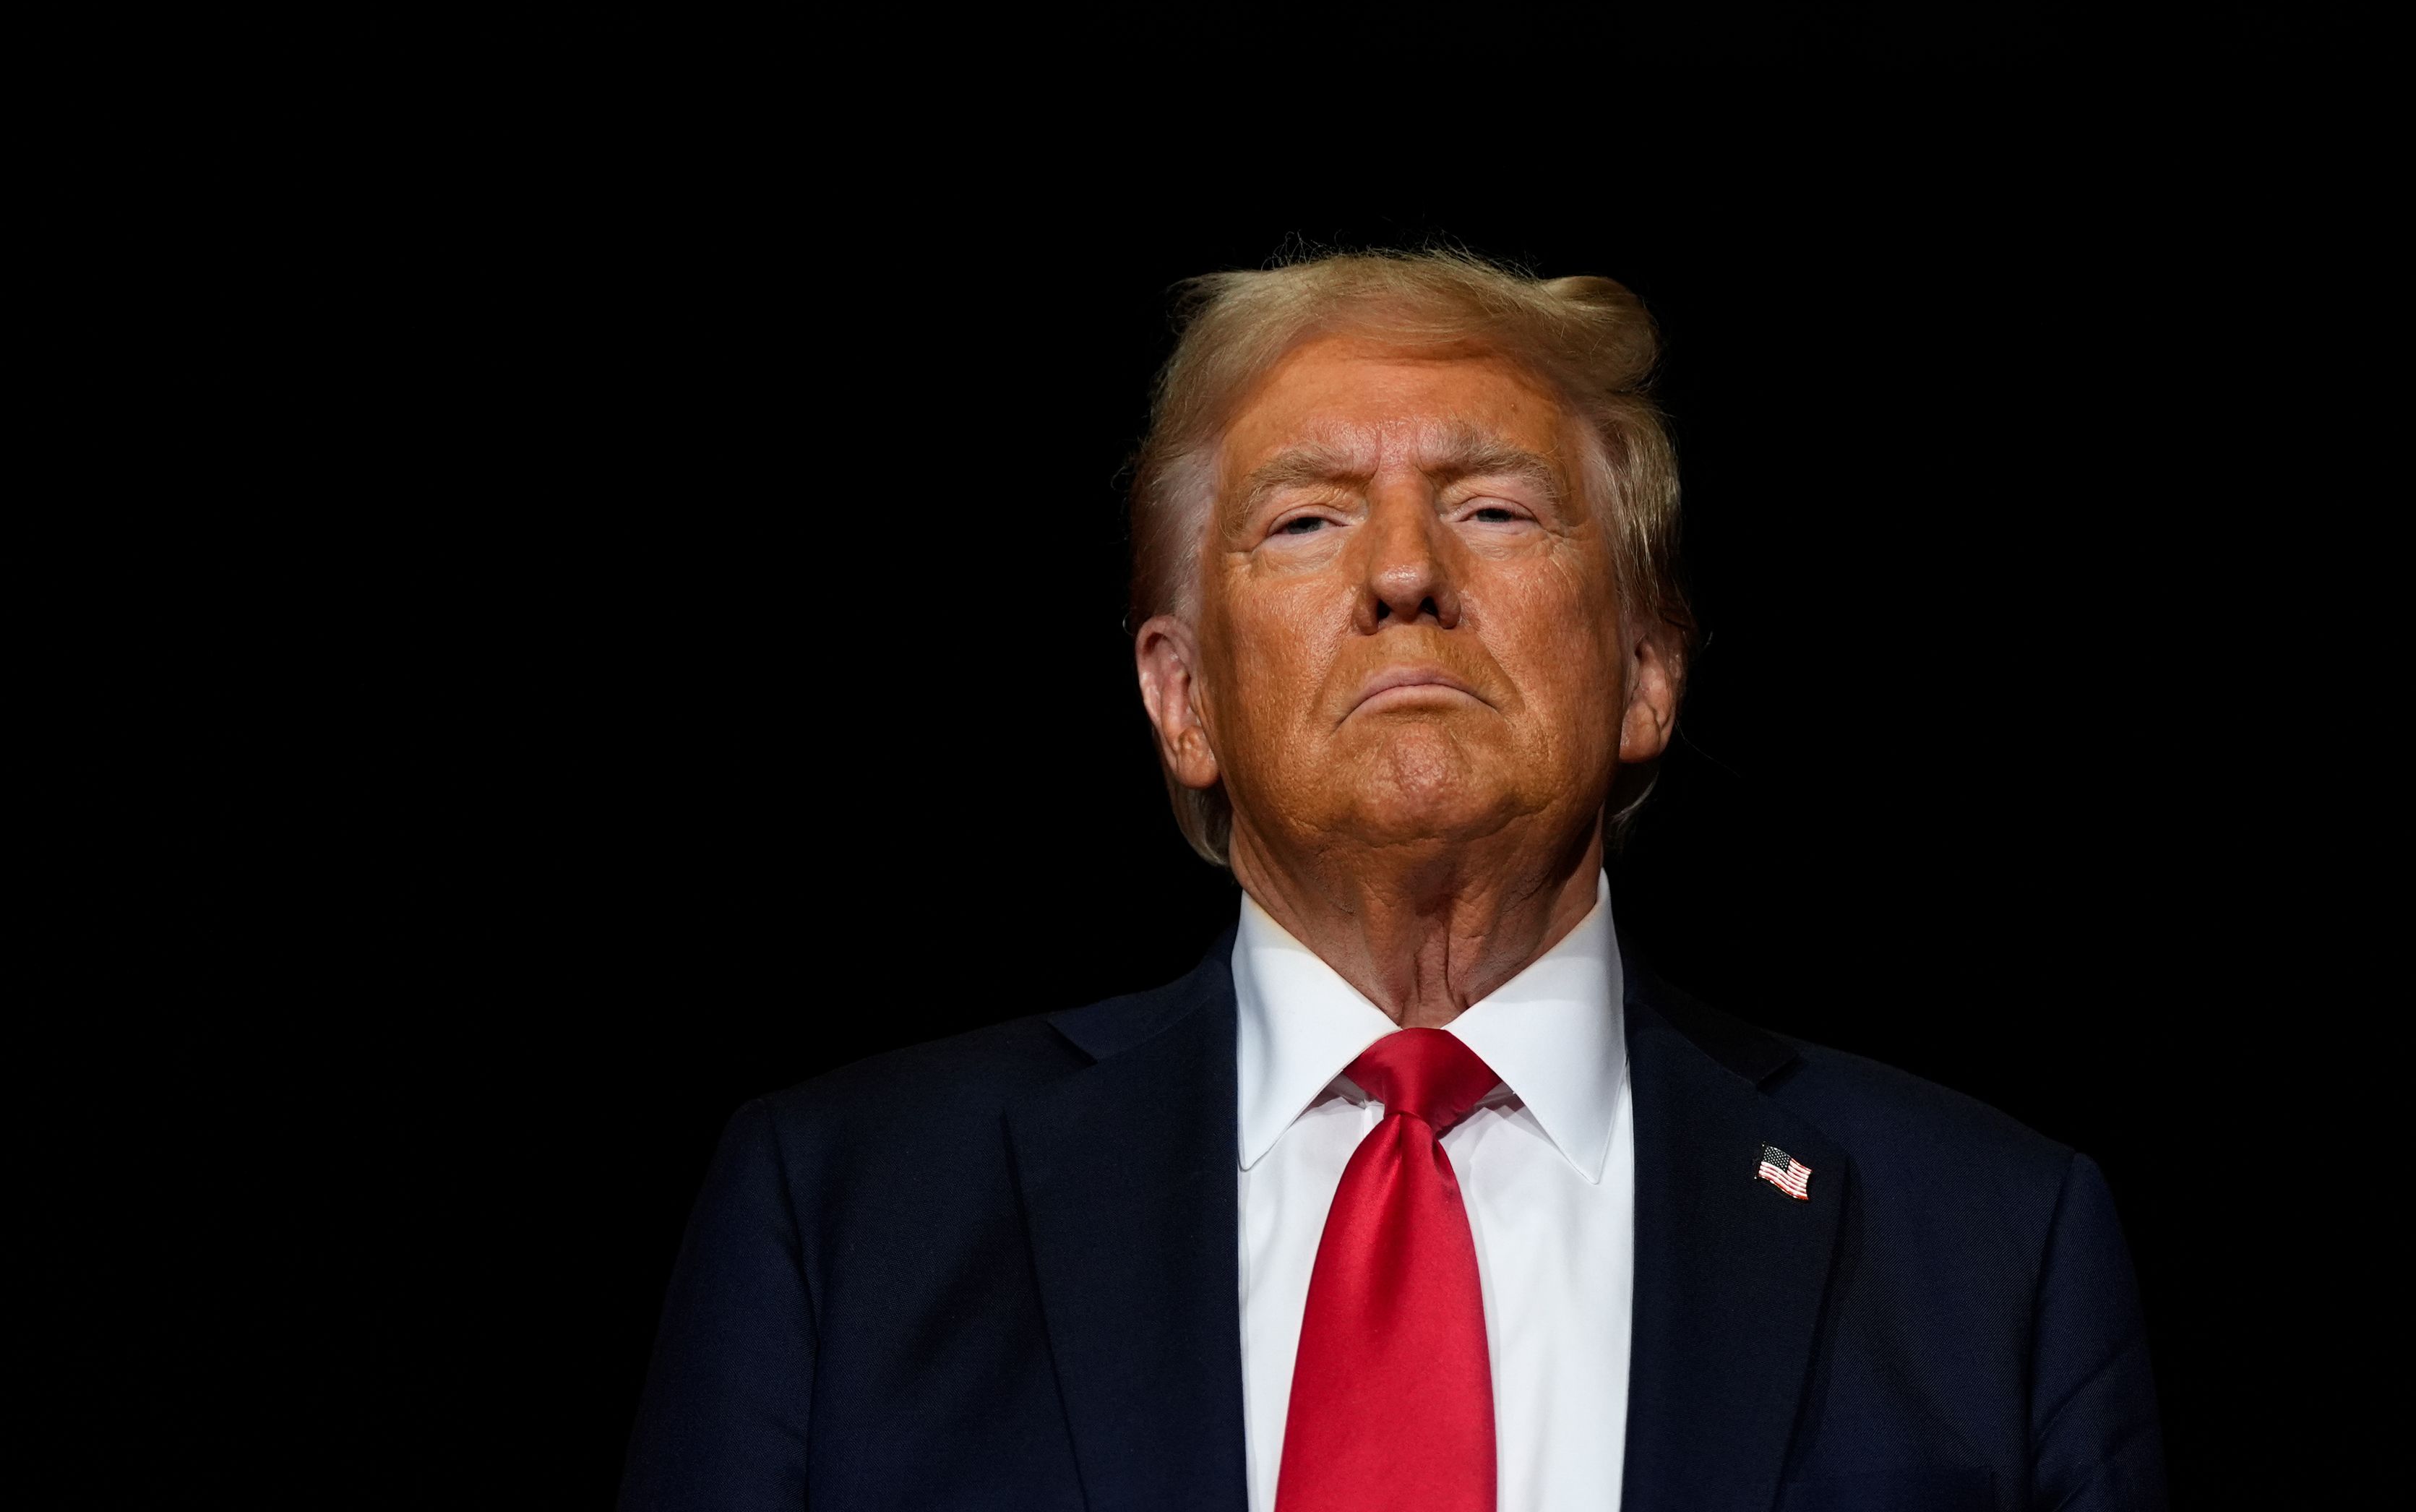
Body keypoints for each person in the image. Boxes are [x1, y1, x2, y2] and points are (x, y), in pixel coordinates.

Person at [619, 250, 2166, 1512]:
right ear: (1183, 699)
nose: (1405, 569)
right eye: (1305, 518)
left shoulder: (1987, 1246)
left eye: (1493, 506)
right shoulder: (843, 1219)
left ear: (1645, 670)